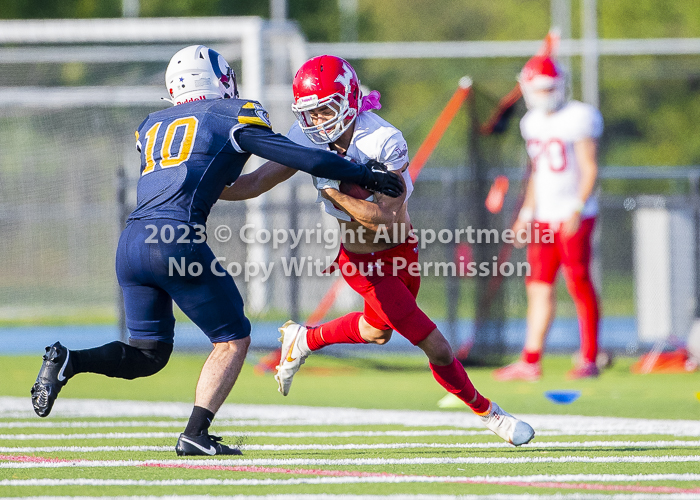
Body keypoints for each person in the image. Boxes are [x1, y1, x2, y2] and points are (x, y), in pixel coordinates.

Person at [30, 45, 404, 456]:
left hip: (131, 242)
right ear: (220, 79)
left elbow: (193, 173)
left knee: (148, 354)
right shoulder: (231, 113)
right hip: (175, 239)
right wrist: (360, 171)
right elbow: (290, 153)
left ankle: (68, 360)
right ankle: (195, 434)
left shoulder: (151, 124)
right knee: (232, 339)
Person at [221, 55, 535, 446]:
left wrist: (331, 187)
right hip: (363, 264)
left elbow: (384, 218)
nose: (318, 121)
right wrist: (198, 184)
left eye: (326, 109)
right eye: (310, 112)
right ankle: (491, 414)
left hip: (401, 249)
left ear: (349, 98)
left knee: (376, 331)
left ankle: (303, 339)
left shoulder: (382, 139)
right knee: (436, 347)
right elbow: (253, 183)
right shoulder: (306, 137)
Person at [493, 55, 603, 382]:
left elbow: (590, 167)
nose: (543, 93)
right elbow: (538, 174)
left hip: (572, 214)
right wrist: (526, 214)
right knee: (538, 287)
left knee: (578, 283)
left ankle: (589, 357)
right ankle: (530, 361)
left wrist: (578, 207)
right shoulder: (532, 122)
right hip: (543, 216)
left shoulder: (579, 117)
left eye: (548, 87)